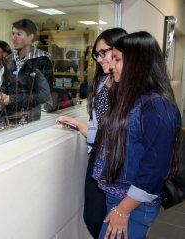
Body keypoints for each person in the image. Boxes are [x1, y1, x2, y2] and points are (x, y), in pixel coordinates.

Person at [93, 31, 181, 239]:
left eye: (117, 59)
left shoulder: (156, 107)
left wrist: (123, 209)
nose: (111, 65)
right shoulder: (130, 98)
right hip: (118, 198)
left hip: (131, 205)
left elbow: (155, 168)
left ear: (138, 63)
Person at [56, 28, 127, 239]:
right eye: (97, 54)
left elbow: (122, 134)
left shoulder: (129, 87)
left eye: (104, 52)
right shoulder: (100, 81)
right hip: (98, 155)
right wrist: (83, 127)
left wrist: (87, 131)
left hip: (119, 160)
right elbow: (98, 120)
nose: (100, 59)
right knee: (93, 217)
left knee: (116, 221)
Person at [0, 19, 52, 123]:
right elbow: (5, 85)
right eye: (13, 34)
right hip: (8, 118)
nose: (14, 38)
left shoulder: (42, 60)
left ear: (30, 37)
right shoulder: (9, 59)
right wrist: (2, 95)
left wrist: (12, 99)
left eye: (18, 34)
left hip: (30, 118)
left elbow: (44, 95)